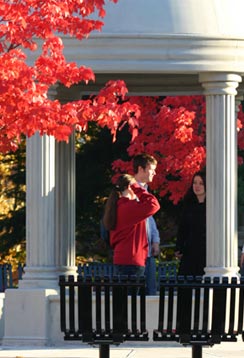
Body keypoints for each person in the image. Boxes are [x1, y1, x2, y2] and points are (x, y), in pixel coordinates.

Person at [103, 173, 160, 277]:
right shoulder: (130, 207)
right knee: (132, 293)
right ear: (130, 187)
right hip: (133, 260)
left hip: (120, 258)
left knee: (122, 293)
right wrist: (137, 188)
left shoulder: (115, 207)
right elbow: (153, 204)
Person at [133, 154, 161, 295]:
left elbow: (150, 219)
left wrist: (155, 240)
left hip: (148, 252)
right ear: (141, 169)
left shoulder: (145, 190)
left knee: (151, 293)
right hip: (135, 252)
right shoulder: (129, 191)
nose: (154, 173)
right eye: (152, 169)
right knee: (133, 295)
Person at [175, 171, 206, 276]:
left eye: (201, 183)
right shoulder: (188, 204)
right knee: (185, 282)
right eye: (195, 182)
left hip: (207, 251)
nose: (197, 186)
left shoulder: (212, 206)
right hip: (190, 249)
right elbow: (182, 228)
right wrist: (179, 247)